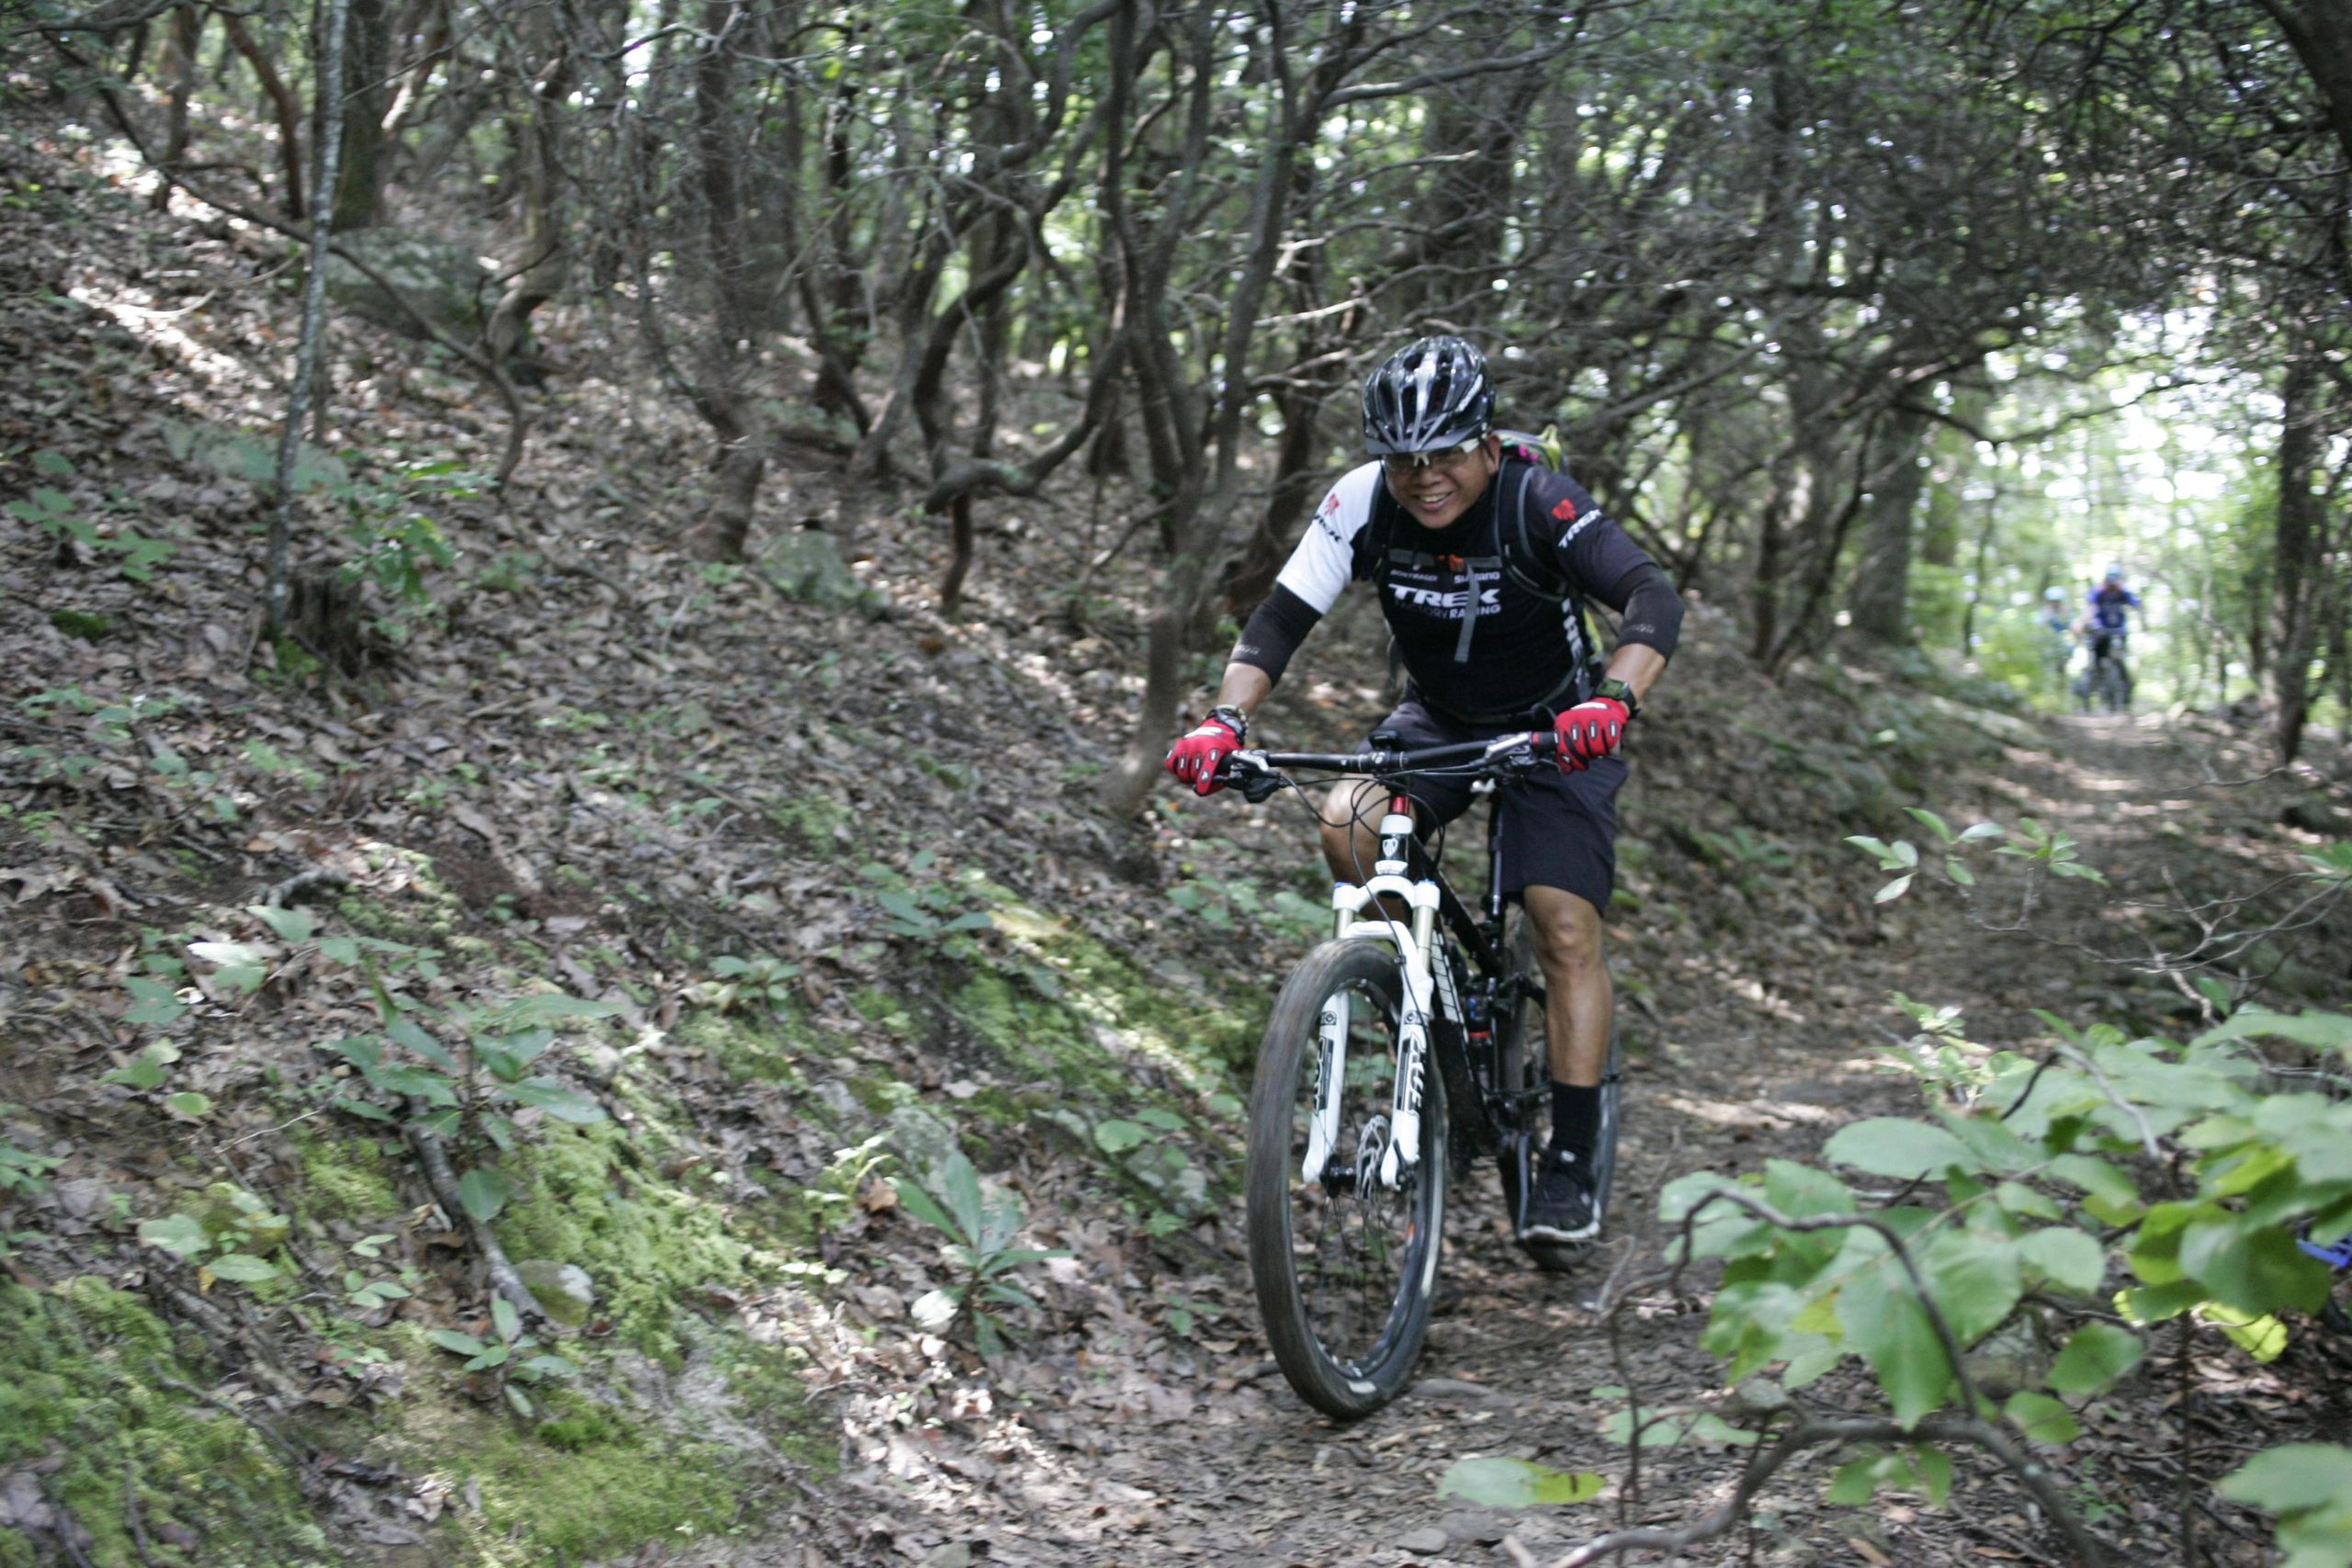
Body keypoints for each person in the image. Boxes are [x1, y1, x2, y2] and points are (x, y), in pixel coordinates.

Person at [1163, 335, 1684, 1243]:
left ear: (1486, 445)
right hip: (1438, 719)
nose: (1423, 476)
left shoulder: (1537, 498)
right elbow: (1280, 616)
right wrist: (1225, 720)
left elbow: (1650, 597)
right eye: (1403, 459)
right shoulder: (1362, 502)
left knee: (1561, 921)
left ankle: (1568, 1154)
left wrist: (1615, 698)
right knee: (1348, 825)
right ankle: (1415, 991)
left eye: (1444, 453)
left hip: (1557, 725)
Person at [2079, 567, 2142, 700]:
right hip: (2102, 630)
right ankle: (2094, 678)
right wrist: (2088, 623)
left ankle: (2125, 695)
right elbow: (2090, 606)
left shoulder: (2124, 592)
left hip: (2119, 630)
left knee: (2120, 659)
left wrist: (2141, 612)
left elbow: (2136, 603)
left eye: (2115, 583)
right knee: (2097, 656)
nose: (2112, 586)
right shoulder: (2099, 591)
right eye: (2110, 582)